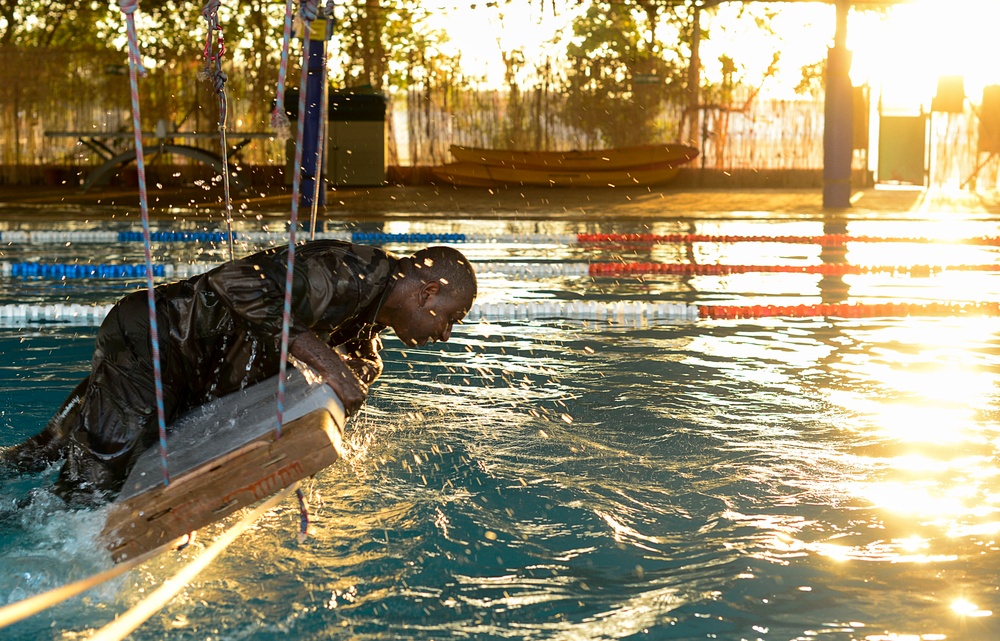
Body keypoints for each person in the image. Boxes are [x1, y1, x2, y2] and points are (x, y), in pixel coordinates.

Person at [0, 240, 477, 505]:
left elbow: (335, 396)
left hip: (184, 370)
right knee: (87, 490)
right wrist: (324, 359)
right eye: (450, 318)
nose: (446, 335)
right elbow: (233, 280)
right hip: (154, 342)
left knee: (39, 454)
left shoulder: (366, 339)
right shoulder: (350, 271)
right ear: (427, 290)